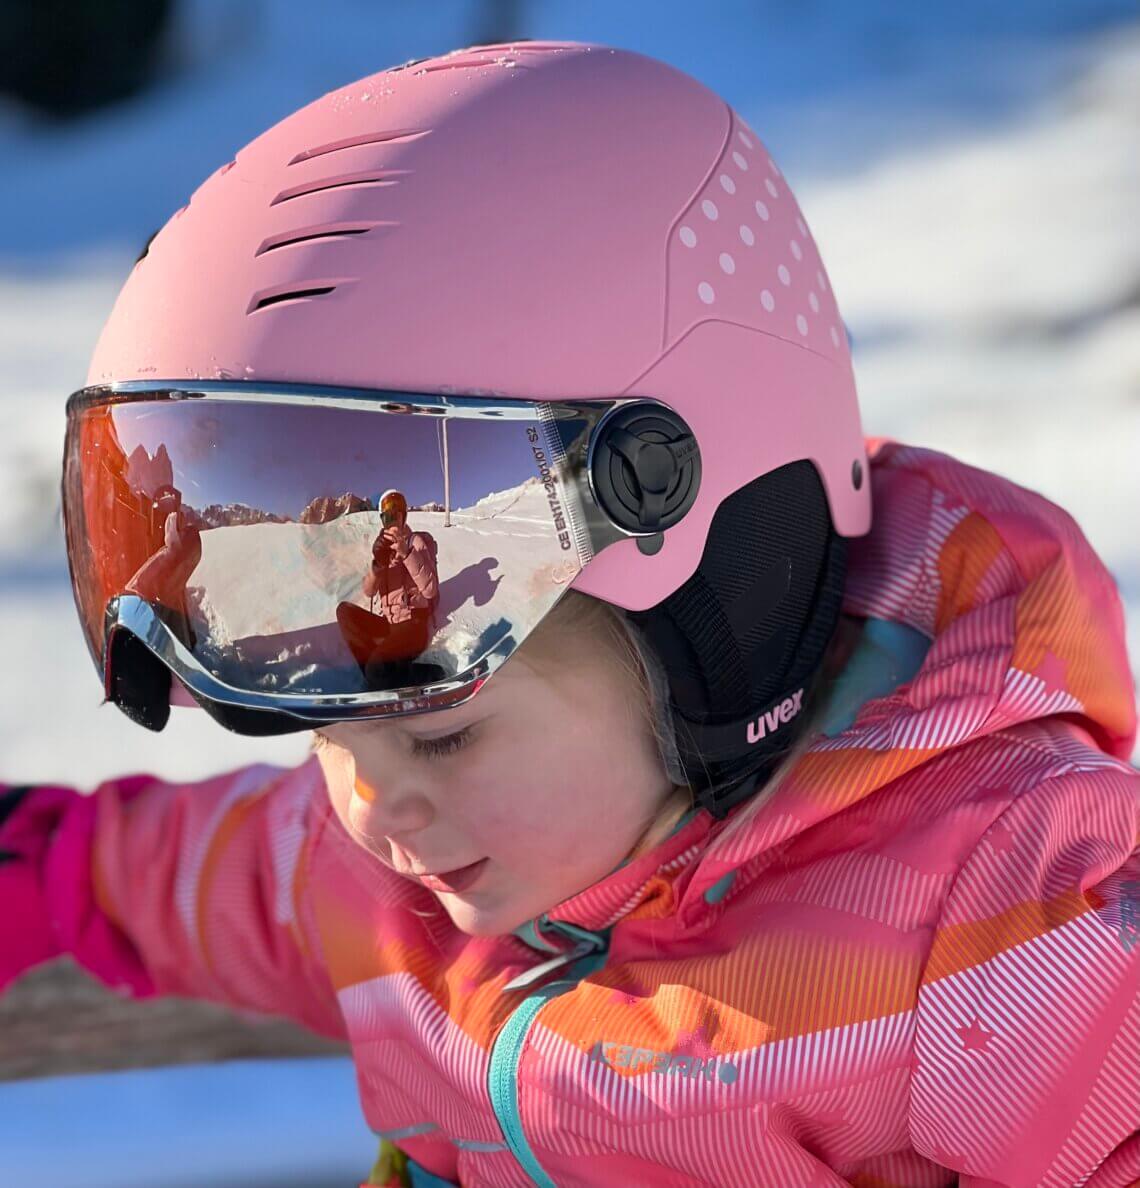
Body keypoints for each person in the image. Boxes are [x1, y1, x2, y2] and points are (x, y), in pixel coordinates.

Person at [3, 41, 1138, 1188]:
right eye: (329, 736)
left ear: (710, 616)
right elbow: (204, 872)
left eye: (445, 731)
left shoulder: (1008, 915)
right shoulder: (399, 868)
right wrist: (41, 870)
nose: (368, 805)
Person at [337, 488, 441, 680]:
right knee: (344, 611)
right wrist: (378, 563)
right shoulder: (382, 547)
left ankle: (427, 673)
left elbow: (431, 590)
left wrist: (406, 554)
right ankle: (379, 666)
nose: (393, 520)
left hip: (413, 624)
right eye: (388, 516)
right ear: (383, 519)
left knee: (376, 671)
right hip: (390, 623)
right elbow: (368, 591)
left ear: (404, 517)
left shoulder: (415, 542)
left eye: (397, 514)